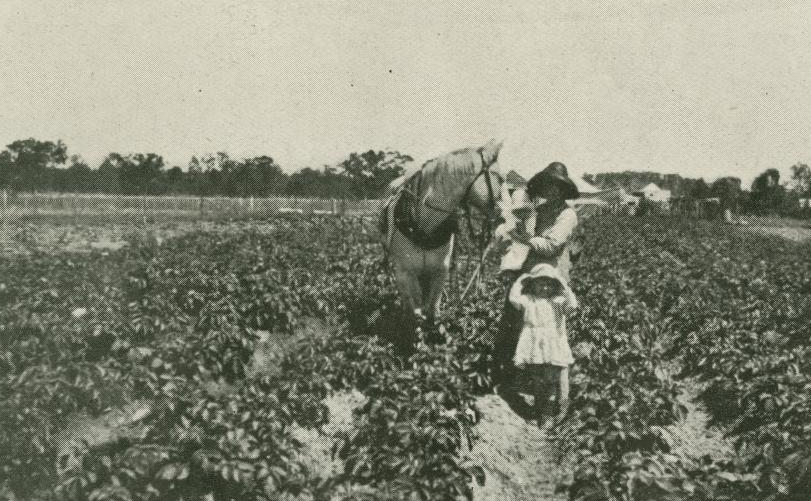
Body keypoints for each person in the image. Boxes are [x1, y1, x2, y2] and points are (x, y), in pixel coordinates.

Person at [495, 162, 580, 388]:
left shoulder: (567, 215)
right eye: (547, 186)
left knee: (548, 329)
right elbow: (523, 235)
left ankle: (547, 383)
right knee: (520, 321)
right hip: (530, 274)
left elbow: (551, 246)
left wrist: (524, 238)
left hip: (551, 278)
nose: (550, 191)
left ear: (563, 191)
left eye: (556, 187)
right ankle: (517, 373)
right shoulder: (540, 211)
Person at [508, 263, 578, 429]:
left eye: (549, 284)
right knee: (538, 378)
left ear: (555, 286)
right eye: (540, 284)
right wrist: (519, 282)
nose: (545, 288)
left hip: (553, 344)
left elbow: (573, 306)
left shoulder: (558, 301)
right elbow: (513, 299)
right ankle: (540, 410)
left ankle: (549, 413)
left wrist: (565, 287)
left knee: (552, 379)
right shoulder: (529, 300)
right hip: (534, 344)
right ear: (533, 284)